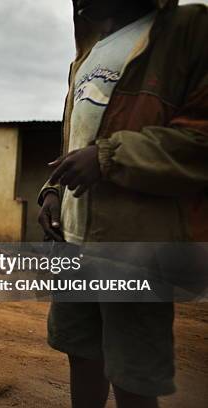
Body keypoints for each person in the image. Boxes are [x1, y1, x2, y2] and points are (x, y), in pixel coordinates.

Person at [37, 1, 208, 407]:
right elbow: (79, 139)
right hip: (75, 244)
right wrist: (54, 191)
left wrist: (108, 157)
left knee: (133, 372)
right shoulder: (88, 54)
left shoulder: (187, 29)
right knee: (82, 351)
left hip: (135, 245)